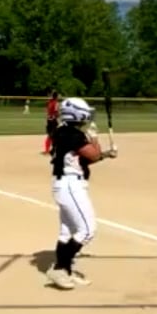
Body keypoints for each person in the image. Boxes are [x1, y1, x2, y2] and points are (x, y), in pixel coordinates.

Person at [45, 96, 114, 289]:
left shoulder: (63, 131)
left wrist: (106, 154)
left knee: (67, 232)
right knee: (87, 230)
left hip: (66, 184)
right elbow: (94, 155)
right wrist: (95, 138)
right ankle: (59, 269)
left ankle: (65, 271)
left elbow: (86, 158)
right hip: (70, 186)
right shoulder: (73, 135)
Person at [42, 89, 59, 155]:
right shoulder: (55, 102)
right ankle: (52, 150)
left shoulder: (50, 102)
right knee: (53, 135)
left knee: (50, 135)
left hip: (50, 120)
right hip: (52, 120)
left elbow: (48, 111)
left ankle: (48, 150)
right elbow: (56, 112)